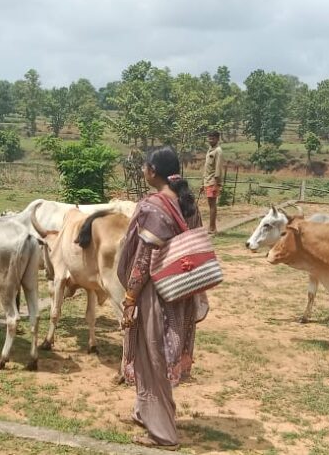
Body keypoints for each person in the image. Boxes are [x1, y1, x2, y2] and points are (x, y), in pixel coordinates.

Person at [119, 147, 210, 450]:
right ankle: (146, 412)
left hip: (156, 295)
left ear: (153, 171)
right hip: (180, 292)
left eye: (145, 166)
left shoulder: (153, 207)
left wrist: (131, 296)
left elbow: (143, 259)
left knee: (153, 358)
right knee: (154, 358)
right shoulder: (189, 204)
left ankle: (164, 434)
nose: (143, 170)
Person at [200, 130, 223, 233]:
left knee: (212, 205)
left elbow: (218, 168)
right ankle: (212, 227)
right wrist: (202, 183)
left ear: (217, 139)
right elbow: (206, 168)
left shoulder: (218, 151)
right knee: (210, 205)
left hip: (213, 181)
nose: (210, 140)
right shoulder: (209, 150)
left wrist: (216, 184)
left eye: (213, 138)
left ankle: (212, 228)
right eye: (209, 138)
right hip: (207, 180)